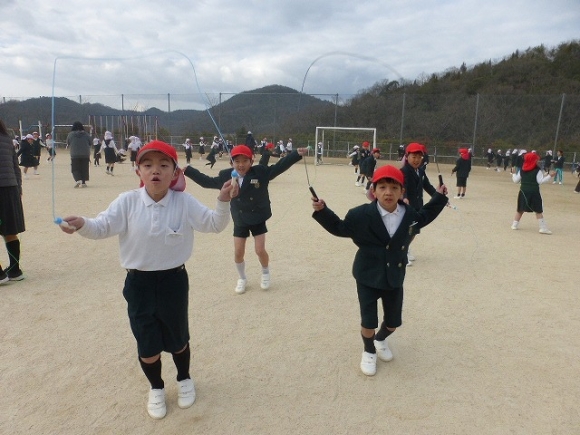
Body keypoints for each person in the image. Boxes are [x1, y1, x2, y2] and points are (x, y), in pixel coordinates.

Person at [58, 140, 235, 419]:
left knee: (178, 338)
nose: (156, 171)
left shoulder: (183, 201)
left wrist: (223, 201)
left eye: (164, 165)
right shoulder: (127, 202)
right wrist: (82, 224)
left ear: (175, 173)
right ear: (137, 171)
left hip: (174, 282)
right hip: (138, 284)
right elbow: (102, 226)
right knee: (147, 343)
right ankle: (156, 387)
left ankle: (185, 378)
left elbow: (214, 224)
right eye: (148, 165)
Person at [311, 165, 448, 376]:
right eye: (382, 187)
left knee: (393, 323)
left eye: (394, 187)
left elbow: (426, 215)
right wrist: (323, 211)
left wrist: (438, 197)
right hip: (367, 274)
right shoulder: (360, 215)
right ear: (373, 191)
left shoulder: (409, 214)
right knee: (368, 321)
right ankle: (368, 351)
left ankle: (380, 339)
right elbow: (339, 228)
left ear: (402, 191)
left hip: (394, 275)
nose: (388, 192)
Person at [183, 144, 307, 294]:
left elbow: (279, 167)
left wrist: (296, 154)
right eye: (237, 161)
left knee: (260, 250)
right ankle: (242, 278)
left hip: (258, 217)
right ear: (232, 162)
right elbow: (206, 182)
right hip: (240, 218)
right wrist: (188, 171)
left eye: (245, 161)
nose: (241, 165)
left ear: (251, 161)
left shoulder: (260, 172)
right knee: (238, 252)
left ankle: (266, 273)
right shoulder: (225, 176)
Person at [400, 143, 437, 265]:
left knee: (414, 230)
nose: (416, 160)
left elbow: (428, 186)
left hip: (418, 206)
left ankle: (405, 248)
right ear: (407, 156)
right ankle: (401, 253)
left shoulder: (420, 171)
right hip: (406, 207)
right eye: (413, 157)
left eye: (419, 157)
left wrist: (440, 197)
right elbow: (402, 186)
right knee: (407, 230)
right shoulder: (403, 171)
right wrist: (404, 198)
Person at [0, 119, 25, 282]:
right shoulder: (7, 139)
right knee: (10, 231)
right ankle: (15, 270)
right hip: (10, 189)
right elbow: (16, 167)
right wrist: (18, 189)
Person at [511, 152, 554, 234]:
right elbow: (540, 181)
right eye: (536, 160)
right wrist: (550, 176)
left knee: (520, 209)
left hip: (523, 191)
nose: (538, 161)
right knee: (538, 210)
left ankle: (514, 225)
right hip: (534, 192)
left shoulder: (522, 170)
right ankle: (542, 228)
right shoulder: (537, 170)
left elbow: (515, 180)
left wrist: (513, 174)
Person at [66, 121, 92, 188]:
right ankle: (83, 182)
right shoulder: (86, 134)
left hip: (74, 154)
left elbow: (68, 142)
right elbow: (90, 142)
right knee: (84, 168)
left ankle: (78, 180)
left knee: (75, 168)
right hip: (85, 154)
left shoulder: (70, 134)